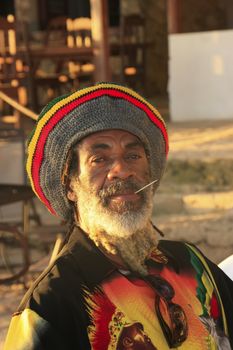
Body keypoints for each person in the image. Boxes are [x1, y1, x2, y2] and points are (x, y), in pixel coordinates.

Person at [4, 82, 233, 349]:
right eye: (99, 160)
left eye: (133, 155)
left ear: (150, 174)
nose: (122, 170)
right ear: (70, 186)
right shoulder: (54, 304)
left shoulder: (193, 265)